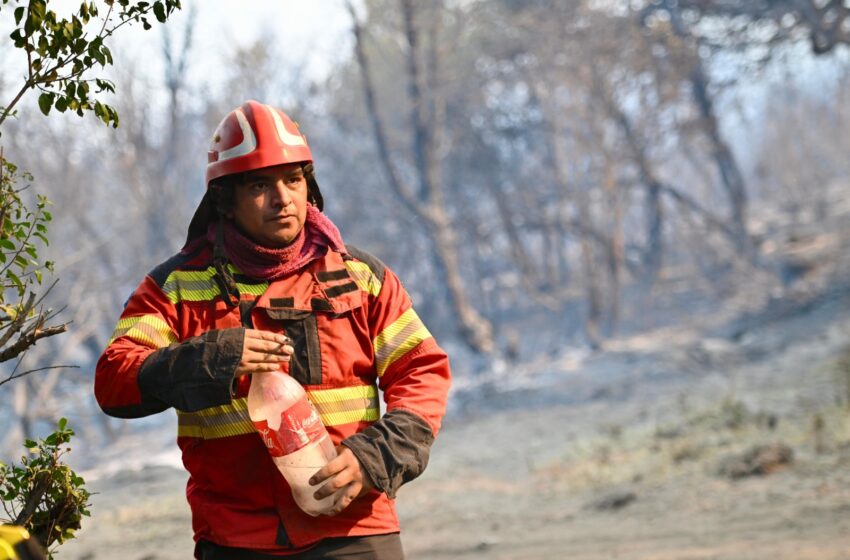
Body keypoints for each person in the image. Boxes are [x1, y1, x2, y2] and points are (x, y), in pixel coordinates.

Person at [94, 100, 452, 559]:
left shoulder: (361, 277)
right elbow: (114, 380)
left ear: (310, 186)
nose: (283, 198)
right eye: (260, 185)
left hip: (355, 528)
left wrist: (374, 458)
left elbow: (423, 373)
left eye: (294, 180)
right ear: (224, 199)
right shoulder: (176, 289)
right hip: (236, 538)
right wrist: (210, 358)